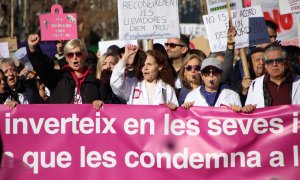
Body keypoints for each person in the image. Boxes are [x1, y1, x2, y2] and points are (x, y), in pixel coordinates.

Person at [27, 34, 103, 108]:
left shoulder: (95, 83)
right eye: (70, 55)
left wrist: (100, 104)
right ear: (66, 58)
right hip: (62, 120)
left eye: (78, 54)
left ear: (85, 55)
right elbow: (43, 68)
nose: (74, 57)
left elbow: (108, 108)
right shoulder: (57, 79)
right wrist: (33, 49)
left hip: (86, 120)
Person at [110, 45, 178, 109]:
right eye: (143, 65)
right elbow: (115, 83)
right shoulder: (133, 85)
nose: (145, 68)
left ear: (159, 67)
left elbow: (175, 117)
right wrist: (125, 58)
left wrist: (173, 108)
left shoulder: (167, 89)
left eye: (149, 64)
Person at [245, 44, 300, 108]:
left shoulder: (298, 82)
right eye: (270, 61)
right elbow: (249, 111)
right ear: (265, 65)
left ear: (286, 62)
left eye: (278, 60)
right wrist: (247, 109)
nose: (274, 64)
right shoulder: (255, 85)